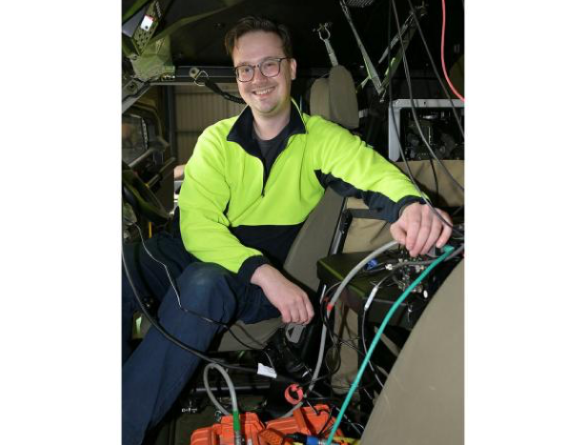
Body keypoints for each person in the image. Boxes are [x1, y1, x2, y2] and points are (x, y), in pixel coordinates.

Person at [121, 15, 452, 445]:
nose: (258, 79)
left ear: (292, 68)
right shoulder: (215, 141)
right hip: (205, 258)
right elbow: (198, 228)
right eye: (246, 68)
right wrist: (266, 273)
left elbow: (372, 173)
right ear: (238, 76)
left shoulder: (321, 139)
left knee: (201, 285)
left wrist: (411, 205)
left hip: (235, 284)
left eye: (270, 64)